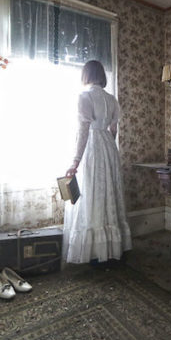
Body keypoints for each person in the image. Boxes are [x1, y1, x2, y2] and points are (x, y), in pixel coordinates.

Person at [63, 60, 132, 264]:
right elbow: (113, 130)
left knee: (91, 194)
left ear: (86, 75)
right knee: (108, 192)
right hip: (109, 148)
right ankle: (110, 248)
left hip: (92, 148)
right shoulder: (112, 99)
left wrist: (75, 161)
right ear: (101, 75)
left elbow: (83, 131)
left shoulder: (85, 97)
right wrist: (108, 144)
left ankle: (94, 252)